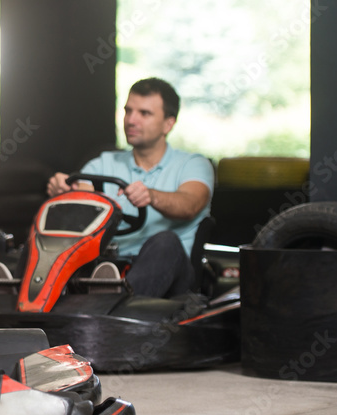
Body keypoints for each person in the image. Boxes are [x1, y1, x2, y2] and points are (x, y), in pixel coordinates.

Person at [46, 77, 214, 298]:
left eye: (144, 114)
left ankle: (114, 303)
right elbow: (83, 195)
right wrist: (65, 192)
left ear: (168, 123)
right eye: (128, 111)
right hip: (106, 265)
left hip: (171, 276)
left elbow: (190, 204)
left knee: (165, 241)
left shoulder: (193, 164)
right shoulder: (104, 163)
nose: (131, 120)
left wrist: (151, 196)